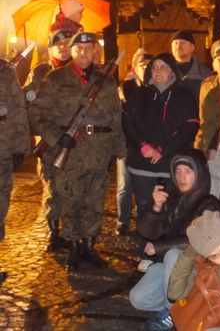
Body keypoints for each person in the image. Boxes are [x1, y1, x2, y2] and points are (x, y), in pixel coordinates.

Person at [28, 32, 125, 272]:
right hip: (69, 153)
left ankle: (89, 248)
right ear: (71, 51)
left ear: (95, 51)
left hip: (99, 152)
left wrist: (119, 148)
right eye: (79, 49)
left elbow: (116, 116)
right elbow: (37, 113)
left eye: (88, 49)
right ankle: (73, 250)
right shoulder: (55, 79)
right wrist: (57, 137)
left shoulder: (107, 80)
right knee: (70, 202)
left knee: (94, 202)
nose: (84, 53)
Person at [130, 149, 220, 330]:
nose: (182, 177)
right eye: (178, 172)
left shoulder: (210, 204)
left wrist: (160, 247)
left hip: (196, 270)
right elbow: (147, 231)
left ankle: (174, 312)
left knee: (174, 254)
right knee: (138, 299)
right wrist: (155, 208)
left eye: (188, 172)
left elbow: (201, 242)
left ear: (199, 173)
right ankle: (188, 306)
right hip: (167, 266)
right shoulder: (171, 198)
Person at [124, 52, 199, 220]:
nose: (158, 71)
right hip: (141, 165)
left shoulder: (185, 97)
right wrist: (142, 146)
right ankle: (146, 244)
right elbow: (128, 123)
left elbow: (189, 128)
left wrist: (162, 150)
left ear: (172, 71)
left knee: (171, 209)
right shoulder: (138, 95)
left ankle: (166, 245)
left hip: (170, 165)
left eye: (163, 67)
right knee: (144, 207)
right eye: (155, 67)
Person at [23, 28, 75, 251]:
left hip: (76, 142)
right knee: (52, 189)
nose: (62, 47)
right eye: (58, 43)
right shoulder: (41, 71)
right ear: (51, 47)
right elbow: (29, 101)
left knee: (76, 189)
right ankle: (55, 235)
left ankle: (75, 234)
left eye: (66, 43)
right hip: (50, 141)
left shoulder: (81, 71)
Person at [115, 49, 152, 236]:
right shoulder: (125, 88)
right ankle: (122, 220)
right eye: (142, 65)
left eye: (148, 66)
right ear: (135, 68)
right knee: (124, 186)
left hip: (146, 147)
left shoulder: (154, 89)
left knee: (144, 188)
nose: (145, 69)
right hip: (126, 144)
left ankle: (142, 222)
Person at [0, 54, 30, 282]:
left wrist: (21, 148)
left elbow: (18, 110)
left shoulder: (6, 72)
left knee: (1, 207)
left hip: (2, 151)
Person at [194, 39, 220, 197]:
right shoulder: (207, 84)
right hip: (204, 143)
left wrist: (214, 144)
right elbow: (204, 119)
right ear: (213, 64)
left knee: (218, 186)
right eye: (219, 60)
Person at [169, 30, 212, 101]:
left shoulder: (205, 73)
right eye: (175, 43)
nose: (178, 46)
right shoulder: (163, 71)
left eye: (183, 43)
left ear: (192, 47)